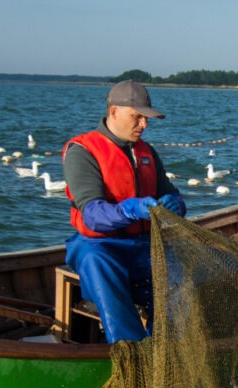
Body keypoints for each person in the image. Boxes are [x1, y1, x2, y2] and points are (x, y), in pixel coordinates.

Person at [63, 79, 186, 343]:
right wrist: (130, 210)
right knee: (98, 264)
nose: (144, 125)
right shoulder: (82, 151)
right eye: (137, 117)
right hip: (100, 247)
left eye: (146, 118)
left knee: (181, 274)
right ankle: (131, 350)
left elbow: (171, 192)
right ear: (114, 111)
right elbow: (92, 216)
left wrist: (176, 204)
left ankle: (165, 344)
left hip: (144, 245)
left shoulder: (147, 152)